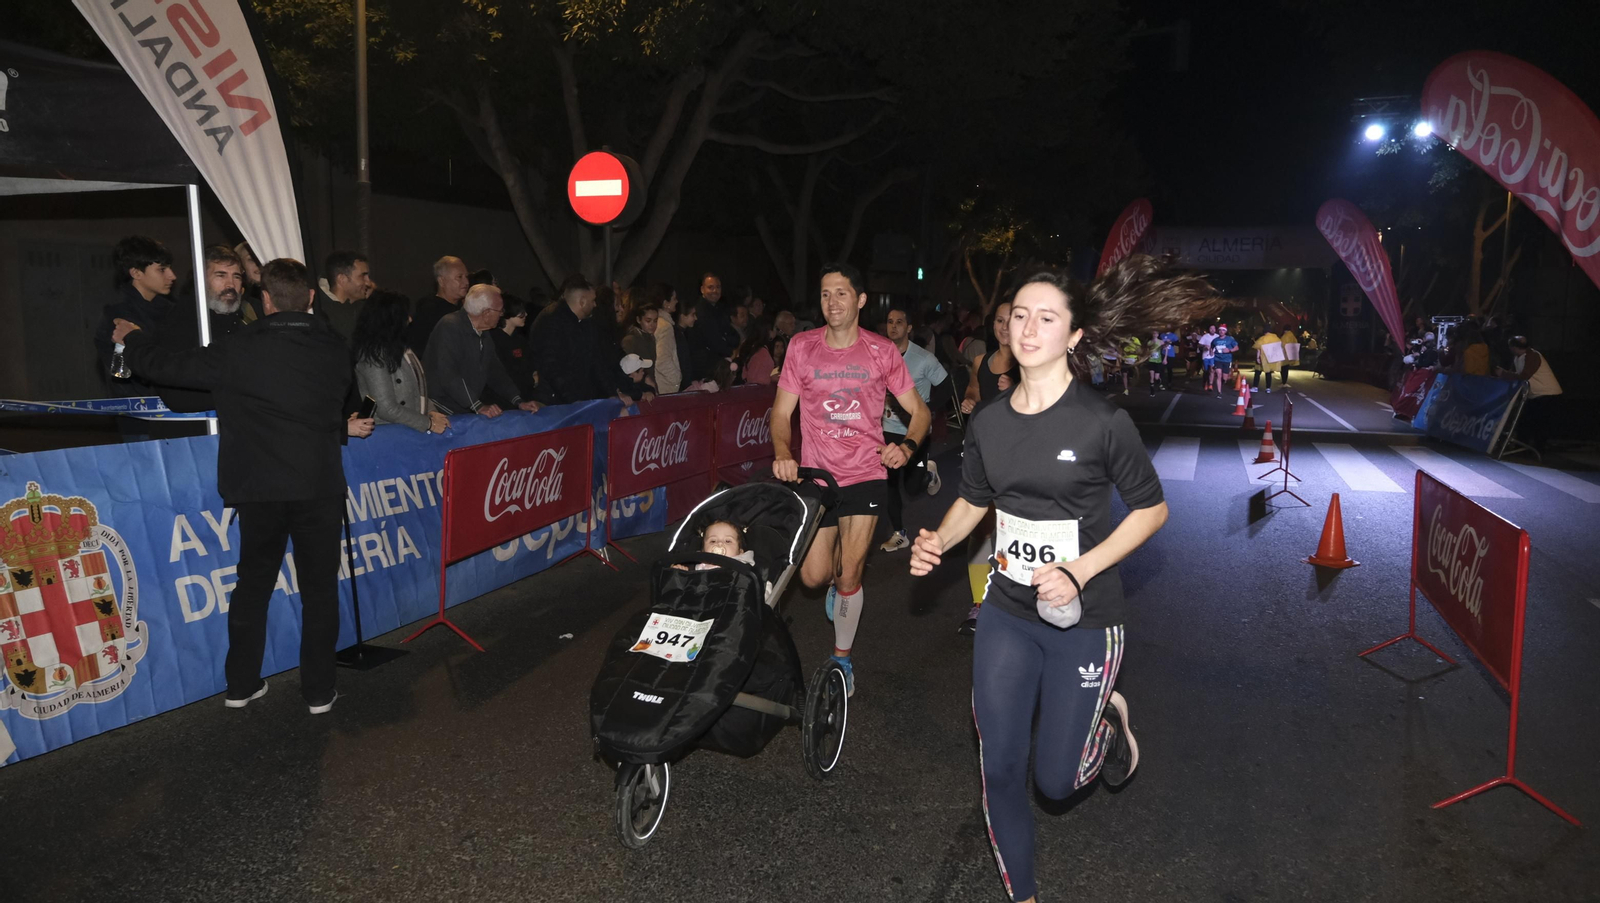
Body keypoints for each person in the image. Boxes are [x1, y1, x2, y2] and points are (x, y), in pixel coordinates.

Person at [909, 256, 1212, 903]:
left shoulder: (1101, 423)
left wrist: (1079, 568)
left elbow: (1153, 510)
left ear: (1074, 335)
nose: (1028, 326)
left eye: (1046, 316)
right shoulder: (989, 421)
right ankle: (1024, 895)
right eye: (1020, 313)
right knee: (1001, 766)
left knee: (1054, 780)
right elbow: (975, 499)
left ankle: (1107, 722)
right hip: (1007, 612)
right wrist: (939, 536)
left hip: (1086, 620)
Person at [112, 257, 374, 714]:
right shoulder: (334, 347)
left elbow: (166, 366)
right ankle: (318, 691)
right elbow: (335, 406)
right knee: (318, 590)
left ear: (265, 299)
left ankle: (241, 684)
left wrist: (130, 339)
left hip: (258, 487)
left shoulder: (238, 347)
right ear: (311, 298)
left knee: (253, 584)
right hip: (317, 483)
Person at [772, 263, 930, 696]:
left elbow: (920, 412)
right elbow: (781, 413)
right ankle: (838, 587)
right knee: (811, 577)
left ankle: (841, 660)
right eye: (825, 294)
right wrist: (784, 452)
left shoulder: (882, 352)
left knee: (848, 575)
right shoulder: (801, 348)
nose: (832, 302)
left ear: (860, 300)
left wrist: (908, 447)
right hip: (816, 476)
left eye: (841, 293)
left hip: (865, 473)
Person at [956, 301, 1019, 635]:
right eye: (999, 320)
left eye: (1012, 319)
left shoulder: (1031, 364)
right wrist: (969, 399)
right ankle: (980, 603)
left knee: (1012, 530)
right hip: (980, 454)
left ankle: (1013, 602)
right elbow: (973, 389)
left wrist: (1020, 390)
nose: (1004, 326)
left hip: (1017, 460)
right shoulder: (981, 360)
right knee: (980, 528)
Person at [880, 305, 953, 552]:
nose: (893, 326)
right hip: (887, 429)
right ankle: (900, 533)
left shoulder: (924, 358)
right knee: (889, 483)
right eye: (890, 321)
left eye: (899, 322)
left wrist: (926, 409)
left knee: (912, 487)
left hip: (915, 432)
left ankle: (928, 473)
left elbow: (946, 387)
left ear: (909, 328)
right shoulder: (879, 356)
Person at [423, 283, 542, 417]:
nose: (502, 314)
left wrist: (518, 401)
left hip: (462, 408)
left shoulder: (483, 332)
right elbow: (448, 374)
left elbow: (494, 371)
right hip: (441, 410)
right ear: (486, 313)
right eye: (500, 310)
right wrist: (477, 405)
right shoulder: (450, 327)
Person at [528, 275, 646, 407]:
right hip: (555, 402)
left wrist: (611, 392)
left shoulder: (587, 324)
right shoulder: (552, 321)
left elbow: (597, 362)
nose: (595, 304)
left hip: (580, 399)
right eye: (593, 300)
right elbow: (552, 367)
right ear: (582, 301)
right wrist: (572, 399)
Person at [352, 290, 451, 434]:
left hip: (408, 428)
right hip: (388, 433)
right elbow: (386, 408)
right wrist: (428, 423)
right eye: (405, 315)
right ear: (390, 319)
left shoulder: (400, 347)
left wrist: (431, 411)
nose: (410, 320)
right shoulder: (373, 355)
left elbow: (418, 390)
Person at [1498, 336, 1562, 450]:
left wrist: (1504, 374)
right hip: (1535, 394)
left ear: (1512, 347)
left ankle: (1536, 448)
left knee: (1538, 423)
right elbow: (1515, 374)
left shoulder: (1532, 356)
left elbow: (1524, 375)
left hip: (1546, 393)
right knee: (1526, 422)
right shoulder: (1518, 357)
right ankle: (1525, 447)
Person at [406, 255, 469, 355]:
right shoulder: (429, 312)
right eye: (459, 277)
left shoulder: (464, 309)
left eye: (466, 276)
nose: (466, 282)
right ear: (441, 281)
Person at [689, 272, 740, 381]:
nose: (715, 291)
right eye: (710, 287)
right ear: (702, 289)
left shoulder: (720, 309)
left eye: (718, 287)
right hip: (707, 372)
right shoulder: (701, 311)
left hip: (718, 367)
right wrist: (731, 352)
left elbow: (732, 334)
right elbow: (713, 340)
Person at [316, 250, 374, 345]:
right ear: (342, 279)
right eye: (362, 276)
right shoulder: (319, 313)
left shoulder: (364, 310)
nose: (368, 282)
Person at [491, 296, 539, 401]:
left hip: (526, 396)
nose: (525, 314)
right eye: (520, 311)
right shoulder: (494, 340)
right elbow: (503, 373)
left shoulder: (520, 339)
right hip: (506, 400)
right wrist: (531, 380)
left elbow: (531, 362)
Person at [649, 284, 686, 394]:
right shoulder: (665, 327)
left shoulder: (659, 323)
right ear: (666, 304)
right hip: (666, 387)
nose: (677, 301)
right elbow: (662, 359)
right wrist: (676, 379)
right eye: (674, 298)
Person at [622, 297, 662, 389]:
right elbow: (624, 369)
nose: (652, 325)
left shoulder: (651, 338)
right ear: (638, 320)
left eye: (655, 321)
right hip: (638, 388)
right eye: (648, 321)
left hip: (648, 386)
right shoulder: (631, 340)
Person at [1210, 324, 1239, 396]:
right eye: (1220, 330)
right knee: (1219, 374)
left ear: (1225, 331)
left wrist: (1229, 350)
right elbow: (1211, 346)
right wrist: (1211, 353)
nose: (1221, 331)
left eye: (1223, 330)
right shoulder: (1215, 340)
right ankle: (1219, 392)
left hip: (1227, 360)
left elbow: (1237, 348)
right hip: (1217, 359)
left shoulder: (1230, 339)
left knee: (1225, 377)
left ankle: (1223, 381)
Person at [1253, 328, 1283, 393]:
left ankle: (1255, 387)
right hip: (1271, 358)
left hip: (1263, 357)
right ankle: (1268, 388)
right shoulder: (1277, 339)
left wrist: (1258, 358)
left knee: (1257, 372)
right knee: (1268, 373)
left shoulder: (1262, 338)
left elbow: (1258, 349)